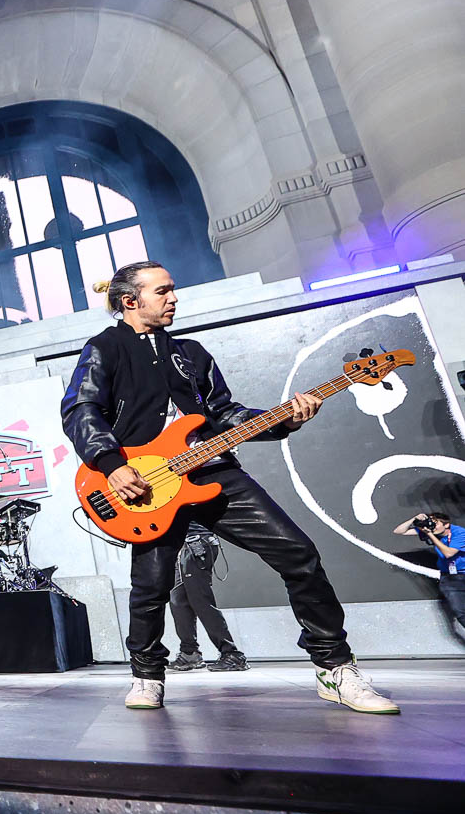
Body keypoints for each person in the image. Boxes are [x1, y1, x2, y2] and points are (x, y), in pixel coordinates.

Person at [60, 260, 397, 714]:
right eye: (163, 291)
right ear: (130, 301)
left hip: (215, 472)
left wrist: (285, 419)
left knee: (299, 553)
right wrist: (112, 464)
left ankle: (335, 668)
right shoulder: (105, 348)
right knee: (152, 586)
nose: (174, 297)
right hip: (146, 484)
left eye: (172, 289)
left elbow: (225, 413)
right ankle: (146, 674)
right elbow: (81, 408)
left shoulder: (191, 353)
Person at [166, 522, 248, 671]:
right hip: (181, 545)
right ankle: (189, 653)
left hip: (196, 542)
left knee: (200, 600)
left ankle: (232, 654)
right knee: (178, 601)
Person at [392, 511, 465, 631]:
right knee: (460, 612)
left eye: (435, 524)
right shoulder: (430, 531)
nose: (432, 526)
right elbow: (399, 531)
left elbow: (448, 553)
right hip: (449, 578)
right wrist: (414, 519)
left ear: (446, 525)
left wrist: (430, 535)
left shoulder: (460, 533)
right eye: (431, 523)